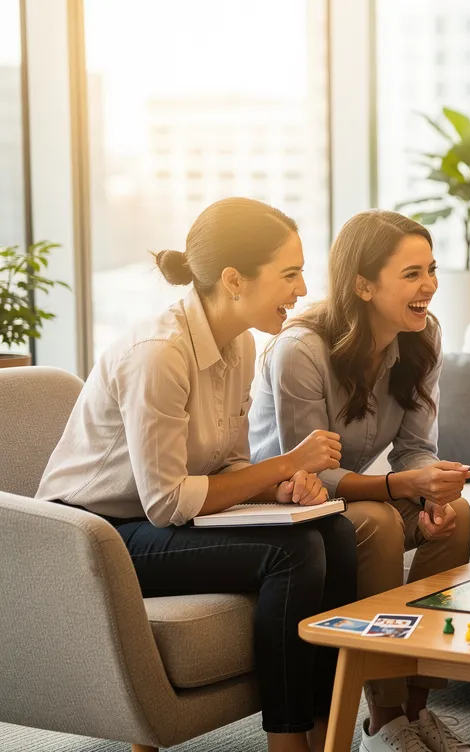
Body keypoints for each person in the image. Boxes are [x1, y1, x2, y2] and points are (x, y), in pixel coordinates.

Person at [36, 198, 356, 752]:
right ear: (234, 279)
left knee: (335, 532)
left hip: (154, 523)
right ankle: (287, 743)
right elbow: (167, 502)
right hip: (91, 537)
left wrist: (280, 489)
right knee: (293, 552)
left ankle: (327, 730)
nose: (302, 290)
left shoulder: (239, 342)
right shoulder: (159, 353)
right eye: (289, 274)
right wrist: (285, 463)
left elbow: (227, 464)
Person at [250, 210, 470, 752]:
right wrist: (400, 488)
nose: (430, 286)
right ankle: (384, 712)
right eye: (412, 274)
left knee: (458, 516)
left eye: (432, 269)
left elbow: (415, 448)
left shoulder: (423, 336)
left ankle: (418, 709)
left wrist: (427, 490)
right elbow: (309, 471)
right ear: (363, 284)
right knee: (377, 523)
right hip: (287, 504)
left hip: (352, 495)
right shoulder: (300, 349)